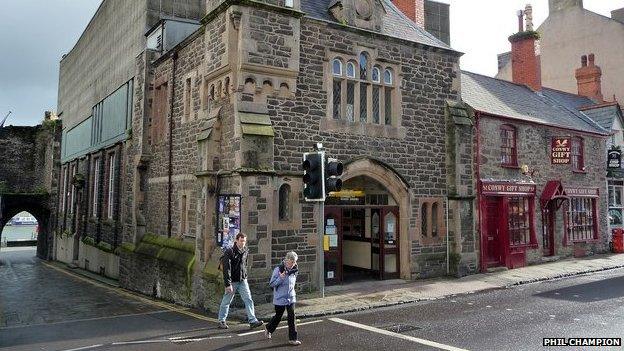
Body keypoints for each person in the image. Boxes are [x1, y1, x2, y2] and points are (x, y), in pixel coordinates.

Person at [218, 232, 264, 329]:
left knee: (248, 299)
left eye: (244, 241)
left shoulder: (246, 250)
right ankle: (221, 320)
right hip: (232, 281)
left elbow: (245, 264)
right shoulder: (229, 252)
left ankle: (252, 321)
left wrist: (245, 275)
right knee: (227, 301)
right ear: (236, 240)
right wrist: (228, 284)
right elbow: (226, 269)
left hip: (243, 280)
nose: (243, 243)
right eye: (241, 241)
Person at [264, 251, 301, 346]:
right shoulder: (278, 269)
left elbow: (292, 283)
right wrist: (281, 278)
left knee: (292, 317)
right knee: (278, 317)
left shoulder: (295, 270)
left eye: (294, 262)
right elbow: (272, 284)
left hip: (291, 298)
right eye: (291, 262)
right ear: (286, 260)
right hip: (280, 298)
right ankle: (268, 328)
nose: (293, 265)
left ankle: (293, 339)